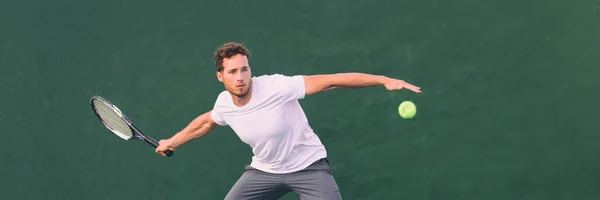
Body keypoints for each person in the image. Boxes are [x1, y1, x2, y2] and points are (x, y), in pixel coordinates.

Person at [155, 42, 422, 200]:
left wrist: (383, 80)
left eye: (244, 69)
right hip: (264, 173)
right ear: (220, 76)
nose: (240, 77)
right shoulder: (224, 104)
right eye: (233, 72)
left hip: (309, 167)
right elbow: (207, 122)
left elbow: (331, 82)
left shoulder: (277, 87)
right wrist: (173, 141)